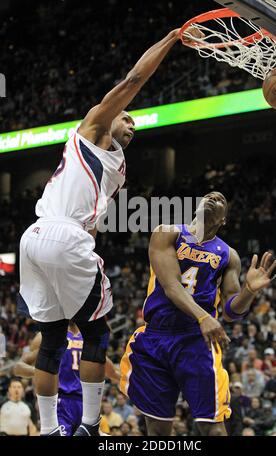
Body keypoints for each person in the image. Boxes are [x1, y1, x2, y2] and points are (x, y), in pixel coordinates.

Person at [18, 27, 197, 436]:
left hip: (35, 238)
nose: (131, 124)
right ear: (109, 115)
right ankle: (89, 426)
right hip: (61, 234)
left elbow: (94, 228)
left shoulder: (116, 169)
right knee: (97, 331)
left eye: (135, 124)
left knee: (51, 340)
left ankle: (48, 431)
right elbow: (134, 80)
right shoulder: (93, 130)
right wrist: (170, 40)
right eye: (127, 117)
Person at [120, 191, 276, 436]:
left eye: (222, 199)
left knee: (213, 428)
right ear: (196, 208)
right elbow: (171, 286)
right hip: (156, 337)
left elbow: (231, 313)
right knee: (159, 429)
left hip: (196, 340)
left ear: (223, 220)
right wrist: (204, 317)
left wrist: (248, 291)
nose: (215, 196)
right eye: (209, 195)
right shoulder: (168, 233)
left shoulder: (228, 255)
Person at [13, 322, 120, 435]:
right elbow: (18, 367)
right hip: (61, 403)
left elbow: (106, 367)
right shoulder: (47, 335)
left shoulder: (89, 335)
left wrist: (125, 380)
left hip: (87, 403)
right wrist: (43, 373)